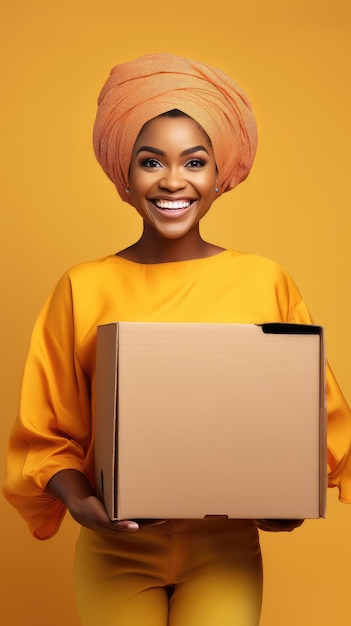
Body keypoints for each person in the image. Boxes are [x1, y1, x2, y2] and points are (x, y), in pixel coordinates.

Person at [3, 53, 351, 626]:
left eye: (194, 161)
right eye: (150, 161)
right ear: (125, 173)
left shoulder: (265, 280)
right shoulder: (82, 286)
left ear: (220, 174)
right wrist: (81, 503)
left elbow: (317, 416)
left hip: (226, 551)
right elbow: (46, 432)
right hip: (116, 550)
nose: (172, 181)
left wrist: (291, 494)